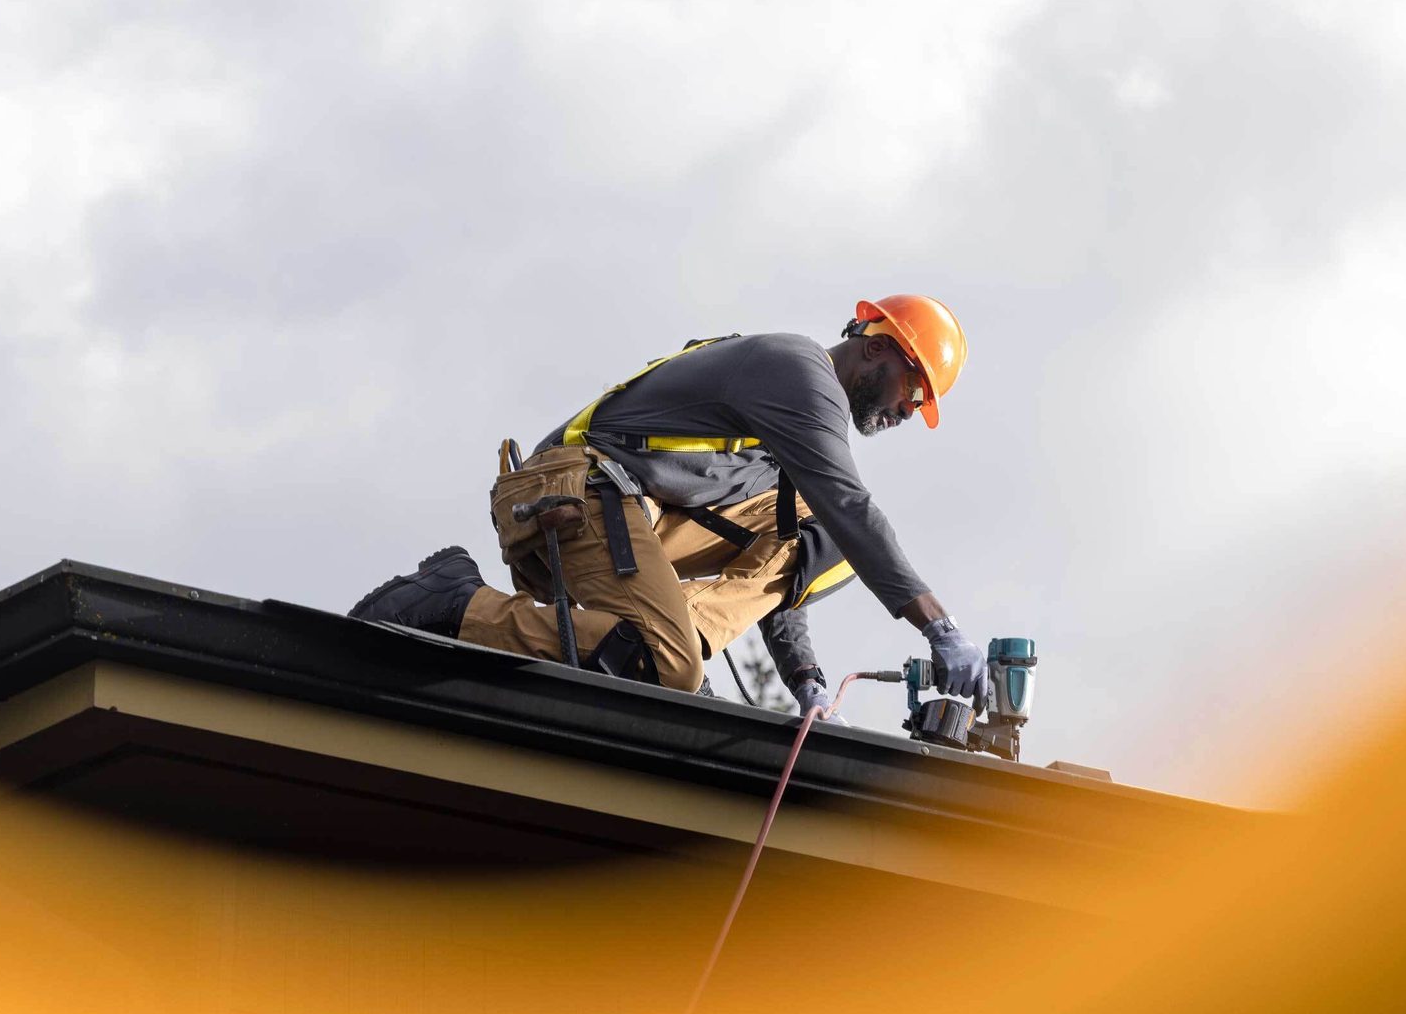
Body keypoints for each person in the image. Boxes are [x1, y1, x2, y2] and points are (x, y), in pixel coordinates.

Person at [349, 295, 988, 716]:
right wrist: (938, 624)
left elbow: (784, 559)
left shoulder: (787, 438)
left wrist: (806, 683)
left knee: (822, 537)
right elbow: (852, 505)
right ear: (877, 348)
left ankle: (669, 646)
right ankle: (457, 604)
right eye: (914, 388)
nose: (908, 409)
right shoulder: (800, 374)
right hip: (570, 497)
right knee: (668, 666)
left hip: (625, 516)